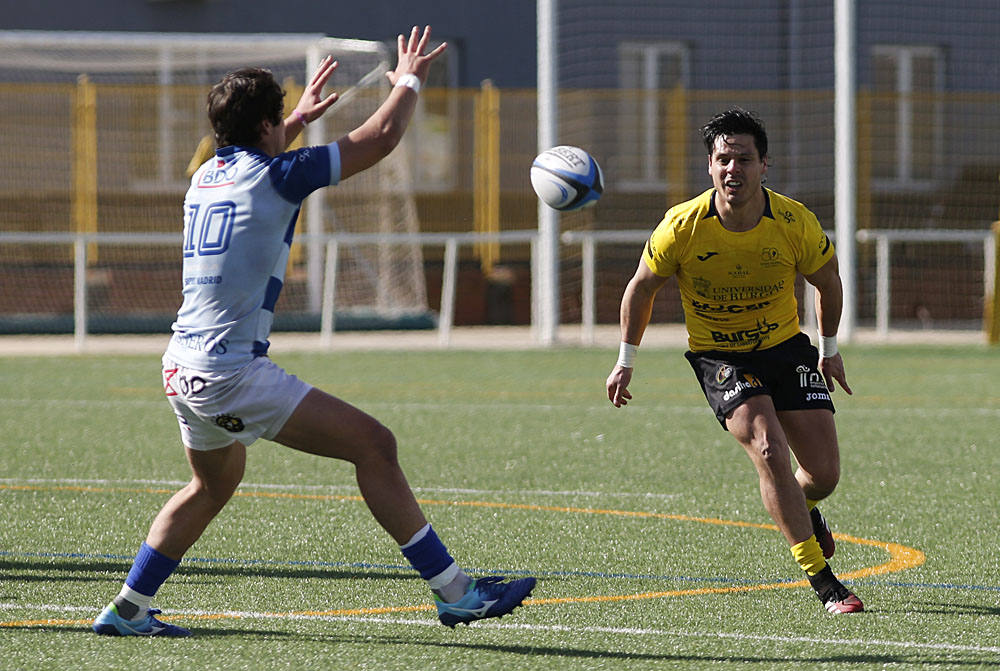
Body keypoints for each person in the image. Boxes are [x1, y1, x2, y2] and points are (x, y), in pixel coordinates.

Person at [93, 26, 535, 637]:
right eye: (280, 120)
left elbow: (259, 158)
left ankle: (128, 607)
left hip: (180, 367)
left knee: (211, 483)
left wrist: (292, 119)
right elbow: (379, 137)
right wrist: (409, 78)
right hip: (230, 372)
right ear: (266, 129)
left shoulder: (205, 178)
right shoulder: (278, 177)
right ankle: (456, 593)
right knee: (373, 445)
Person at [605, 107, 863, 614]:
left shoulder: (793, 222)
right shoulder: (681, 226)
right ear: (709, 165)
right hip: (720, 356)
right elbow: (641, 288)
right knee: (769, 448)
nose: (733, 169)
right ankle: (824, 581)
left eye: (744, 158)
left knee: (824, 475)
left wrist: (828, 350)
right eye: (724, 158)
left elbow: (828, 281)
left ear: (764, 164)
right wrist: (625, 360)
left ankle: (802, 510)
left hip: (785, 349)